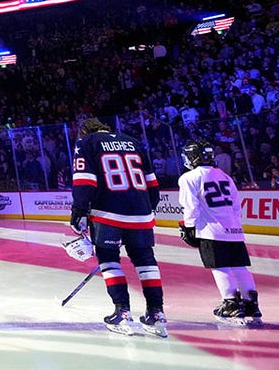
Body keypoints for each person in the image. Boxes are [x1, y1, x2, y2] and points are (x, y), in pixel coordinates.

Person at [71, 117, 166, 337]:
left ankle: (122, 311)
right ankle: (156, 312)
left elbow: (84, 180)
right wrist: (145, 209)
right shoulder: (133, 142)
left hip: (107, 212)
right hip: (141, 213)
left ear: (85, 131)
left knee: (109, 259)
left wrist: (79, 212)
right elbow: (152, 183)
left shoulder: (86, 143)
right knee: (146, 260)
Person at [177, 140, 262, 325]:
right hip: (234, 229)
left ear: (193, 157)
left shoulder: (189, 177)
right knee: (240, 266)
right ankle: (251, 303)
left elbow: (190, 206)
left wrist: (189, 226)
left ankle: (231, 304)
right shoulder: (225, 176)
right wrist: (234, 224)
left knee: (220, 266)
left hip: (210, 230)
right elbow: (237, 206)